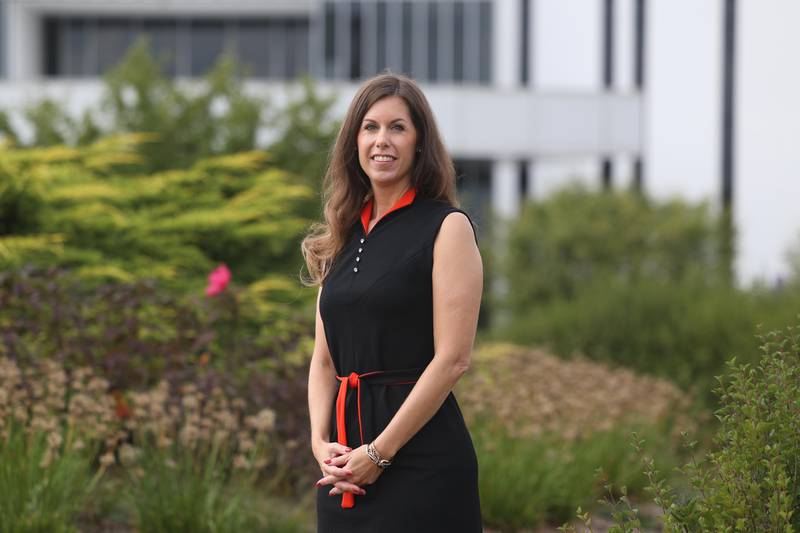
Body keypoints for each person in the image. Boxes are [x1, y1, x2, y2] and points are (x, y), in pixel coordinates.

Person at [301, 72, 483, 532]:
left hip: (422, 461)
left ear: (420, 142)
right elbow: (324, 361)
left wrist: (380, 452)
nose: (382, 140)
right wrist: (320, 442)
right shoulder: (340, 237)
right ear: (354, 142)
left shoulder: (447, 228)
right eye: (370, 127)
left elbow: (454, 359)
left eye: (397, 127)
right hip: (343, 470)